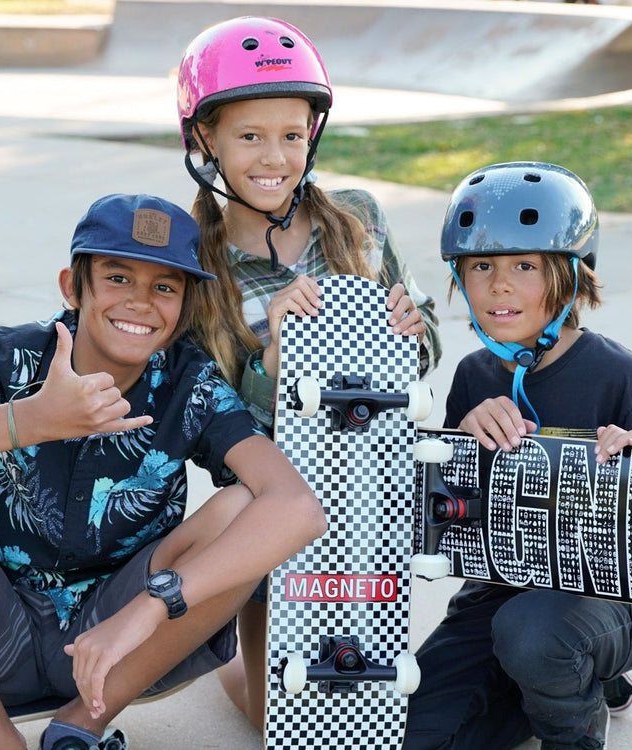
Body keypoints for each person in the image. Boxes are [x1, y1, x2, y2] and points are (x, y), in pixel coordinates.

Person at [0, 193, 327, 750]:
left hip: (123, 650)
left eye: (165, 287)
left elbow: (296, 507)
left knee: (244, 507)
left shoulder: (191, 382)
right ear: (73, 286)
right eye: (117, 277)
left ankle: (79, 726)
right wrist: (31, 420)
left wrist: (149, 607)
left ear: (184, 307)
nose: (140, 302)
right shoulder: (5, 355)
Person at [172, 16, 443, 728]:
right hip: (267, 503)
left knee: (360, 697)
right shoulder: (195, 267)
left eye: (292, 135)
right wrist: (273, 361)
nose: (275, 156)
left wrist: (414, 334)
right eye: (250, 136)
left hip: (367, 486)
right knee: (278, 718)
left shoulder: (357, 219)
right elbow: (205, 416)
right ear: (205, 140)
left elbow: (428, 342)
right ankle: (228, 656)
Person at [403, 162, 632, 750]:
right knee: (415, 737)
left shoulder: (619, 373)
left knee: (533, 636)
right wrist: (463, 444)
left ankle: (577, 716)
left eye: (525, 266)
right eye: (481, 266)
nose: (500, 285)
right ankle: (566, 683)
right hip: (499, 593)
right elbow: (450, 514)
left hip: (608, 597)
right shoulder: (473, 375)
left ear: (571, 276)